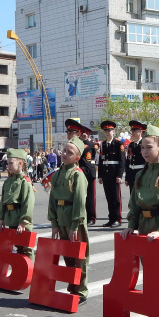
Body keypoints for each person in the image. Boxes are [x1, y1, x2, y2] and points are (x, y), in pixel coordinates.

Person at [121, 124, 159, 317]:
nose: (144, 151)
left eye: (149, 147)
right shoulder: (140, 175)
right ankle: (152, 311)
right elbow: (134, 204)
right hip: (144, 227)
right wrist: (131, 225)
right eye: (142, 147)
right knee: (148, 272)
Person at [48, 136, 90, 303]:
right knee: (68, 257)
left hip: (74, 221)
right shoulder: (57, 174)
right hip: (61, 218)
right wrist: (54, 223)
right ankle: (72, 288)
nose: (64, 154)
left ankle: (81, 291)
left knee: (80, 258)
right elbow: (52, 199)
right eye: (64, 150)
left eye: (69, 152)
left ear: (77, 158)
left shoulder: (78, 175)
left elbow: (79, 202)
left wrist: (75, 225)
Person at [0, 148, 36, 260]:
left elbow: (28, 204)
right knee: (17, 246)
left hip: (21, 220)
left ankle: (30, 273)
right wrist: (2, 219)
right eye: (7, 163)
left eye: (10, 163)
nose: (7, 166)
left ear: (20, 163)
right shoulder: (8, 181)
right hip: (11, 218)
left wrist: (23, 222)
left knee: (26, 248)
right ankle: (20, 272)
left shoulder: (25, 181)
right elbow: (3, 201)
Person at [64, 119, 97, 226]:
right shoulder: (68, 147)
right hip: (74, 175)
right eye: (68, 133)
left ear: (78, 134)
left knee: (88, 198)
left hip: (86, 175)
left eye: (71, 133)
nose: (69, 135)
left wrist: (76, 172)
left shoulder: (85, 147)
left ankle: (91, 217)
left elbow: (87, 165)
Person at [98, 120, 125, 227]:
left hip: (114, 174)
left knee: (116, 198)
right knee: (109, 197)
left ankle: (118, 218)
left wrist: (119, 175)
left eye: (110, 131)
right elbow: (101, 160)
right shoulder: (103, 144)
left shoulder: (118, 143)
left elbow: (122, 161)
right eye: (106, 131)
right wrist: (100, 175)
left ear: (114, 131)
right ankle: (111, 218)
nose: (108, 133)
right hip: (106, 174)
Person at [124, 120, 147, 194]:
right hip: (131, 174)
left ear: (140, 131)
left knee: (141, 197)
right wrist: (127, 177)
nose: (132, 132)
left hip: (141, 173)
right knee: (132, 196)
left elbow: (147, 161)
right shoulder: (131, 145)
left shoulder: (144, 143)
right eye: (132, 130)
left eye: (135, 130)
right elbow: (128, 161)